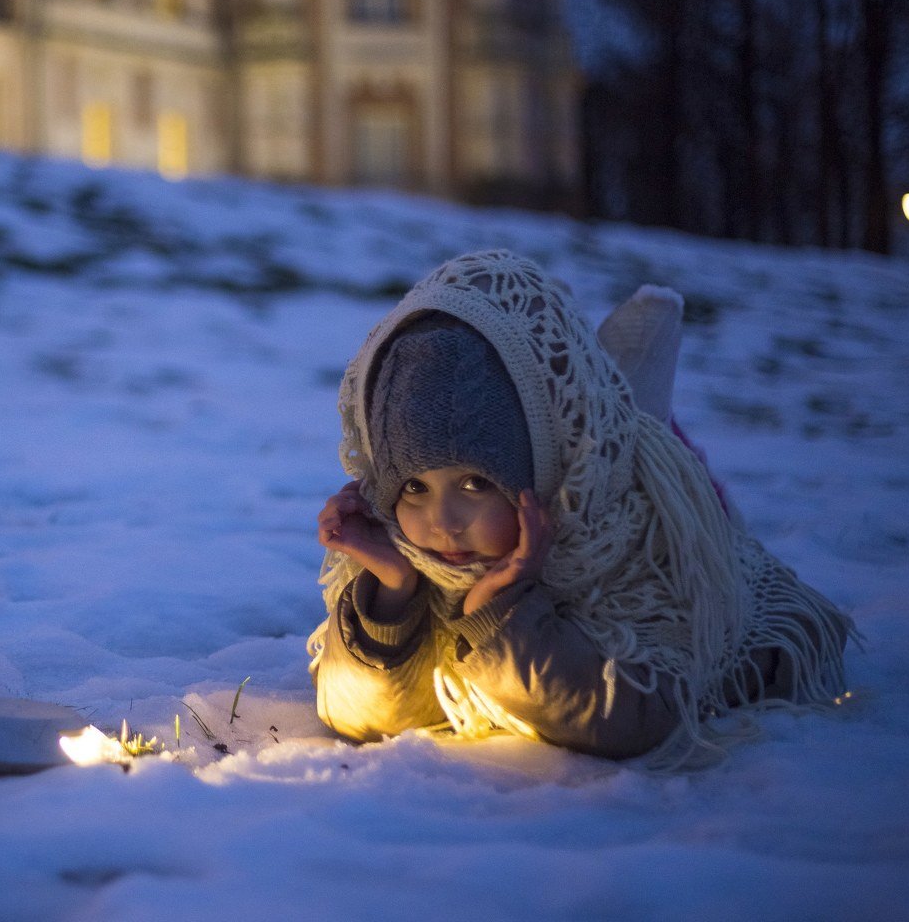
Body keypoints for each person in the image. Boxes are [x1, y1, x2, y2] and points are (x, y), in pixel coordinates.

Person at [307, 250, 853, 767]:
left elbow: (630, 718)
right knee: (585, 398)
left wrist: (507, 615)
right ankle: (610, 379)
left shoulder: (638, 556)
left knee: (618, 425)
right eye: (414, 489)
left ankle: (630, 393)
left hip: (621, 487)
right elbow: (359, 715)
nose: (443, 523)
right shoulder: (406, 556)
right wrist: (393, 592)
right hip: (568, 439)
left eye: (476, 482)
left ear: (547, 475)